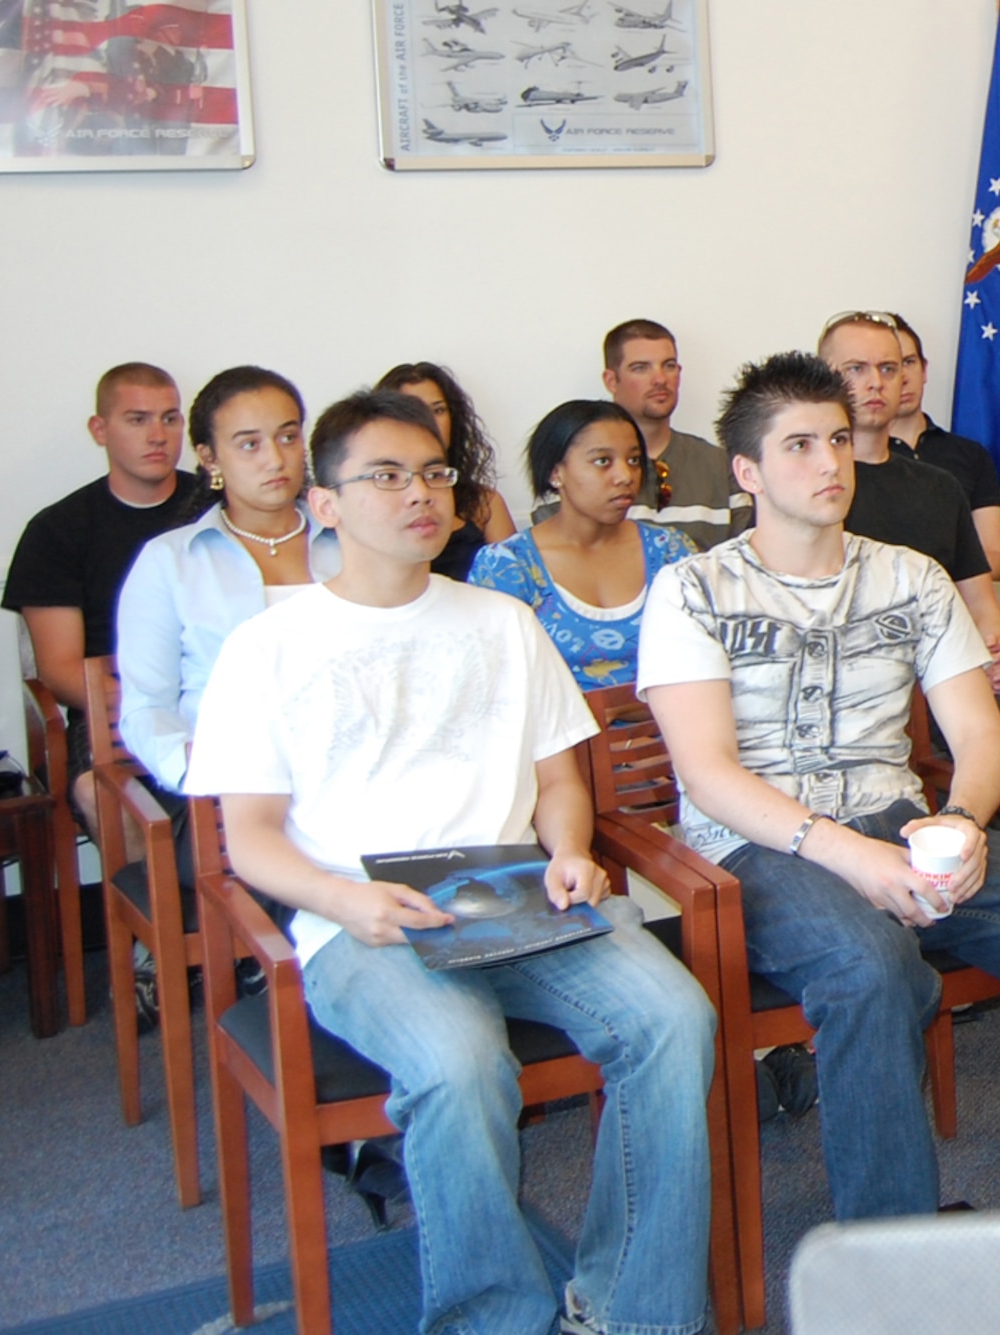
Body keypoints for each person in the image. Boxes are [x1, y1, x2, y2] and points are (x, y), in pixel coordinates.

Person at [185, 390, 715, 1335]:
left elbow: (560, 781)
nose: (420, 494)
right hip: (364, 919)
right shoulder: (266, 648)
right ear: (326, 503)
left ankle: (634, 1310)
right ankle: (492, 1319)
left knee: (675, 1018)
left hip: (514, 897)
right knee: (461, 1062)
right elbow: (252, 836)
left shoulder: (499, 621)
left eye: (434, 473)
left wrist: (569, 854)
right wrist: (344, 899)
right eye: (386, 475)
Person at [639, 351, 1000, 1218]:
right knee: (870, 967)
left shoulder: (910, 575)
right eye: (798, 444)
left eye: (838, 439)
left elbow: (978, 732)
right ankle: (890, 1246)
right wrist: (856, 861)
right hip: (761, 848)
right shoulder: (692, 588)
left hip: (902, 823)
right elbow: (708, 775)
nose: (829, 462)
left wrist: (958, 825)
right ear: (747, 471)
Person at [2, 363, 212, 839]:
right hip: (110, 709)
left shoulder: (215, 509)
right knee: (99, 793)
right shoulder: (57, 531)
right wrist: (155, 710)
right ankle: (154, 911)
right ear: (100, 430)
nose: (158, 435)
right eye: (137, 420)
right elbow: (58, 669)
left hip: (221, 698)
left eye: (170, 418)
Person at [118, 367, 339, 806]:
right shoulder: (172, 560)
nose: (275, 460)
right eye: (249, 444)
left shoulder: (353, 539)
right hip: (230, 791)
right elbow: (146, 708)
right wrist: (203, 770)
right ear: (210, 458)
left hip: (353, 777)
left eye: (288, 437)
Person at [817, 311, 1000, 693]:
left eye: (888, 369)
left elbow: (982, 607)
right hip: (848, 689)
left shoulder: (940, 487)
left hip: (946, 680)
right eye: (856, 369)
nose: (876, 383)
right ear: (824, 378)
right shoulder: (811, 491)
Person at [469, 400, 696, 688]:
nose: (625, 476)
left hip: (671, 728)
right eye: (603, 461)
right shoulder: (508, 567)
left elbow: (705, 659)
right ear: (555, 473)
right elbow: (498, 684)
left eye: (634, 460)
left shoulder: (671, 551)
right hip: (561, 731)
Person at [602, 318, 750, 550]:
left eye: (669, 365)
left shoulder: (721, 467)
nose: (660, 379)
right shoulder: (579, 468)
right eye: (641, 368)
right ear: (611, 381)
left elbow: (747, 559)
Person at [885, 314, 1000, 581]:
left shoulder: (970, 455)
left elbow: (997, 558)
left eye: (909, 362)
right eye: (890, 367)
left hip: (965, 599)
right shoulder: (852, 460)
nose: (903, 377)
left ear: (924, 369)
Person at [376, 362, 519, 580]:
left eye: (438, 410)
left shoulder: (484, 503)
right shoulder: (373, 500)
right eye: (414, 410)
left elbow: (514, 586)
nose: (429, 421)